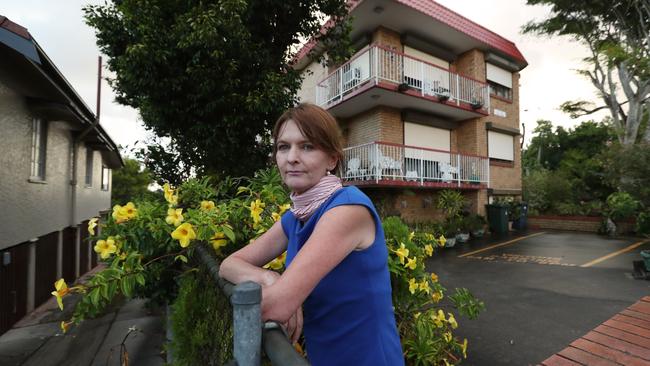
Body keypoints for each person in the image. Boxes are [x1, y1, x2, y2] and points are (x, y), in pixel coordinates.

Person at [220, 103, 404, 366]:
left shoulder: (348, 208)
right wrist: (270, 278)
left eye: (307, 146)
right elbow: (228, 265)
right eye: (283, 147)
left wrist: (284, 295)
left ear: (332, 159)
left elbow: (276, 306)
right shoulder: (295, 217)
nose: (291, 157)